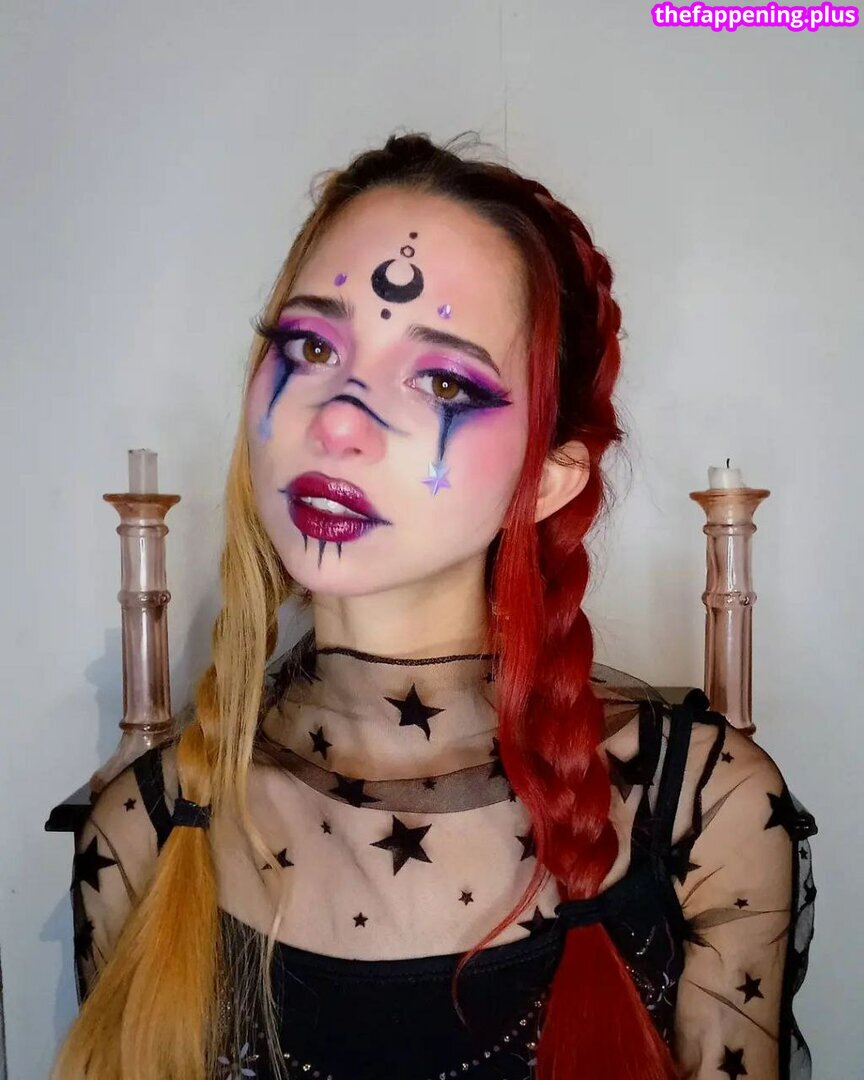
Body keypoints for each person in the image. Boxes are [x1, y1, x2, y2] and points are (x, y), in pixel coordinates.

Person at [52, 132, 817, 1080]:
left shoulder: (704, 813)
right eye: (311, 346)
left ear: (549, 479)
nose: (337, 419)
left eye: (444, 381)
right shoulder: (142, 831)